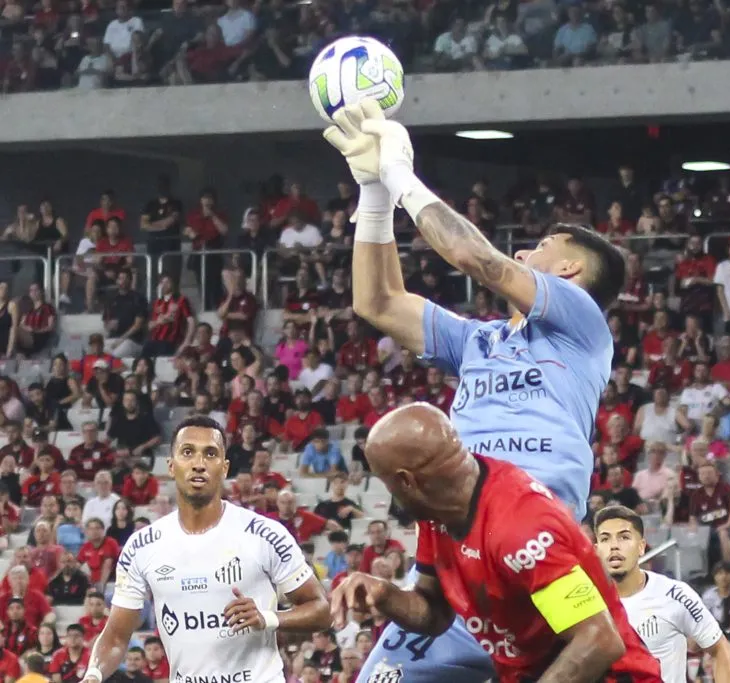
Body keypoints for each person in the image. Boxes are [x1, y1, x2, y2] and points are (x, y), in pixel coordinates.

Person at [322, 101, 626, 683]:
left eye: (541, 246)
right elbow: (378, 303)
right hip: (460, 547)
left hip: (534, 548)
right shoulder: (479, 342)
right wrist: (373, 191)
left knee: (588, 651)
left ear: (567, 274)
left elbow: (474, 257)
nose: (522, 253)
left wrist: (402, 176)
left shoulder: (579, 322)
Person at [330, 404, 662, 683]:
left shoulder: (519, 527)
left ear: (406, 481)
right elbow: (435, 615)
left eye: (387, 483)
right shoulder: (437, 512)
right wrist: (385, 595)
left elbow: (598, 641)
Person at [81, 416, 331, 683]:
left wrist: (268, 617)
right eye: (188, 452)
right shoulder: (142, 546)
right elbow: (117, 635)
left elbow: (321, 610)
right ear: (171, 465)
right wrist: (93, 675)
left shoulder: (265, 534)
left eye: (210, 454)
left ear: (224, 468)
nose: (198, 464)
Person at [593, 505, 730, 682]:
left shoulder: (675, 594)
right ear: (596, 550)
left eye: (624, 537)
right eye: (605, 539)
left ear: (641, 547)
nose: (614, 546)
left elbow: (721, 649)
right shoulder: (584, 602)